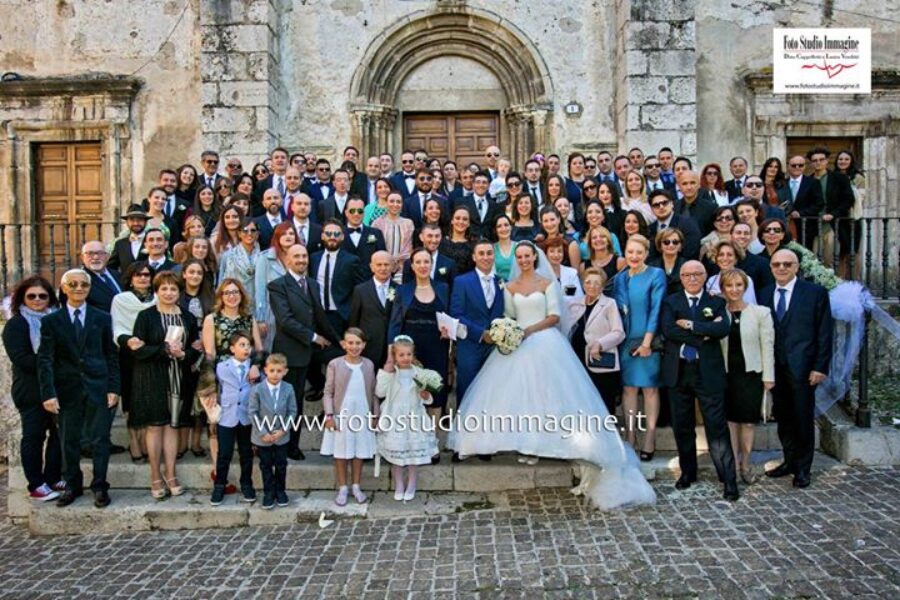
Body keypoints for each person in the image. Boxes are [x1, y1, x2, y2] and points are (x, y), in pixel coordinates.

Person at [448, 242, 655, 510]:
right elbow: (508, 316)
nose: (523, 259)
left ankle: (547, 444)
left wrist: (528, 330)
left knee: (548, 394)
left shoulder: (547, 283)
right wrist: (510, 333)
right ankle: (525, 443)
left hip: (545, 342)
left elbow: (555, 316)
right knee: (518, 396)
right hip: (517, 343)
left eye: (527, 255)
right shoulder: (508, 287)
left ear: (535, 257)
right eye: (519, 256)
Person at [38, 269, 120, 508]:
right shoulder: (51, 321)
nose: (79, 288)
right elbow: (45, 360)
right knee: (68, 440)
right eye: (73, 284)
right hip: (66, 390)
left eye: (83, 284)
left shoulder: (102, 317)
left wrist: (113, 388)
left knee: (100, 439)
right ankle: (72, 484)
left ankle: (100, 486)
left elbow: (111, 355)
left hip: (98, 386)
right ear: (63, 288)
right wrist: (49, 392)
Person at [660, 261, 738, 501]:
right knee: (682, 427)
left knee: (717, 427)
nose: (692, 278)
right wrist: (703, 335)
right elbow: (669, 331)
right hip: (679, 371)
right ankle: (688, 473)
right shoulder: (671, 301)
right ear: (681, 277)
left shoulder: (716, 302)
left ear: (705, 276)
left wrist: (693, 325)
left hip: (708, 373)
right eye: (687, 274)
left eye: (697, 274)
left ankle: (728, 479)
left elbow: (723, 328)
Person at [760, 249, 833, 489]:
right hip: (775, 368)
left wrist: (820, 366)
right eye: (776, 264)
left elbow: (824, 332)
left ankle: (803, 468)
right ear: (770, 267)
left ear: (796, 267)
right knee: (783, 417)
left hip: (803, 368)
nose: (781, 268)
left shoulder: (815, 293)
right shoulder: (764, 294)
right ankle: (789, 461)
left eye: (787, 264)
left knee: (802, 417)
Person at [130, 271, 200, 499]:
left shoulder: (188, 317)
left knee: (173, 426)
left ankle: (171, 474)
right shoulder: (146, 316)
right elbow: (139, 350)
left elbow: (194, 351)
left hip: (179, 378)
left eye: (173, 289)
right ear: (157, 291)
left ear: (179, 292)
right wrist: (164, 349)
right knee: (155, 427)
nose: (169, 293)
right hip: (153, 377)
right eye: (164, 289)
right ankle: (155, 476)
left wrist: (183, 354)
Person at [268, 244, 340, 461]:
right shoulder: (277, 286)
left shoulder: (312, 284)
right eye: (296, 256)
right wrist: (314, 337)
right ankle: (287, 445)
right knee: (291, 402)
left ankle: (294, 443)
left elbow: (320, 316)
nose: (301, 259)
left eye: (304, 256)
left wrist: (339, 340)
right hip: (290, 353)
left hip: (310, 351)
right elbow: (286, 320)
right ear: (287, 260)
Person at [2, 276, 63, 501]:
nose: (37, 300)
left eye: (42, 296)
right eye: (32, 296)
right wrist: (52, 362)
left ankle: (53, 477)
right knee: (34, 436)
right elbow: (22, 359)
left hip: (56, 387)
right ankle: (36, 484)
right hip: (30, 389)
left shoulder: (55, 320)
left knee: (58, 434)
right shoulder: (16, 324)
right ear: (22, 298)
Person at [388, 247, 451, 449]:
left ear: (431, 265)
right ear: (412, 266)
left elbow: (451, 317)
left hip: (437, 347)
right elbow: (395, 323)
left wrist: (448, 330)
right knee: (410, 394)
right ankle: (411, 441)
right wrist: (392, 356)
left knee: (436, 394)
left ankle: (432, 443)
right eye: (419, 262)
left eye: (426, 262)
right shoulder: (402, 290)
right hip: (409, 351)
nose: (423, 266)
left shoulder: (443, 288)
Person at [718, 268, 774, 485]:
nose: (734, 290)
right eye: (729, 285)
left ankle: (746, 463)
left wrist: (769, 377)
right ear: (723, 288)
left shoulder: (761, 312)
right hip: (726, 374)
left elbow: (767, 346)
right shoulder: (718, 312)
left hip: (751, 374)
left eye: (738, 285)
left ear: (745, 287)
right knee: (730, 422)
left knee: (748, 422)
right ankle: (732, 464)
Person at [613, 235, 666, 460]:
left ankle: (649, 439)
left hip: (648, 341)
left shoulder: (656, 275)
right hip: (626, 342)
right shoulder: (619, 279)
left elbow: (656, 309)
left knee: (650, 389)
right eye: (630, 252)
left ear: (646, 253)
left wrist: (647, 343)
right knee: (629, 389)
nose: (634, 256)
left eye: (638, 252)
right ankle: (631, 437)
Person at [376, 336, 439, 502]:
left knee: (413, 453)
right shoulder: (390, 373)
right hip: (395, 417)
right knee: (396, 453)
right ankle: (398, 483)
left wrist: (425, 395)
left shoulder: (419, 373)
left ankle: (412, 483)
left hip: (414, 417)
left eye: (408, 354)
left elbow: (427, 398)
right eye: (401, 355)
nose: (405, 358)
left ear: (413, 354)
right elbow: (380, 392)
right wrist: (387, 368)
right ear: (395, 356)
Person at [322, 328, 378, 506]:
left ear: (364, 345)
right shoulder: (335, 364)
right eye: (350, 343)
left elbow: (373, 392)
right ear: (344, 344)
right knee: (341, 452)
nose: (354, 346)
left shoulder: (368, 365)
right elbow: (328, 392)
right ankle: (342, 487)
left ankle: (356, 485)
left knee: (358, 451)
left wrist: (375, 414)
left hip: (361, 412)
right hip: (342, 413)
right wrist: (330, 414)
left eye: (358, 343)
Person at [450, 240, 505, 413]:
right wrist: (481, 333)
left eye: (489, 253)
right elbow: (456, 314)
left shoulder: (503, 282)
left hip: (496, 347)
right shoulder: (462, 281)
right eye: (481, 253)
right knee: (468, 388)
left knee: (494, 389)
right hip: (470, 345)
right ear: (474, 257)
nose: (486, 257)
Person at [111, 262, 157, 462]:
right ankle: (134, 443)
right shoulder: (121, 299)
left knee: (149, 399)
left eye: (147, 275)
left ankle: (147, 442)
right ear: (130, 278)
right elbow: (117, 326)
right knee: (131, 400)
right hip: (129, 354)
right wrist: (128, 340)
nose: (143, 278)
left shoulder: (158, 298)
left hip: (153, 353)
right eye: (138, 275)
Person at [567, 267, 625, 415]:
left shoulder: (609, 304)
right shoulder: (574, 304)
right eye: (588, 282)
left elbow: (618, 332)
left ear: (603, 286)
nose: (592, 286)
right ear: (583, 284)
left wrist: (600, 344)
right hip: (578, 360)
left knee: (604, 403)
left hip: (600, 360)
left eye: (597, 283)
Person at [211, 331, 256, 505]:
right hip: (227, 416)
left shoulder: (254, 367)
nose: (246, 348)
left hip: (246, 416)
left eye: (248, 345)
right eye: (242, 345)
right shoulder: (222, 367)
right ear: (232, 348)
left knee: (246, 453)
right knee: (224, 454)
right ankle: (219, 485)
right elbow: (219, 387)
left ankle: (247, 484)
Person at [249, 353, 297, 510]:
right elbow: (253, 412)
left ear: (285, 371)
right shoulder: (257, 389)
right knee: (266, 465)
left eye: (279, 371)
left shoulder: (288, 388)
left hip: (281, 436)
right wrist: (263, 433)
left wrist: (283, 430)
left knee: (281, 464)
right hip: (262, 437)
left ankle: (280, 491)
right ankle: (268, 492)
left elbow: (292, 412)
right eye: (272, 370)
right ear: (265, 371)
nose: (275, 374)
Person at [178, 258, 214, 458]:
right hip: (182, 350)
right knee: (185, 395)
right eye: (191, 272)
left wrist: (204, 341)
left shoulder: (209, 297)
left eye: (199, 273)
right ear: (184, 274)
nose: (195, 276)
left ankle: (196, 442)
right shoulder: (177, 296)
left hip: (205, 349)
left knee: (201, 397)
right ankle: (182, 443)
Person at [809, 146, 856, 276]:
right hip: (814, 226)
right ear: (811, 163)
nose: (818, 162)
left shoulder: (839, 178)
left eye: (821, 159)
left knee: (832, 259)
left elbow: (848, 199)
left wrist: (833, 214)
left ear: (827, 161)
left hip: (833, 225)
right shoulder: (808, 180)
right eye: (814, 160)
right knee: (814, 260)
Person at [348, 251, 397, 368]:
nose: (383, 268)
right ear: (372, 267)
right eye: (379, 265)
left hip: (392, 347)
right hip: (369, 346)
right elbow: (354, 320)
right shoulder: (360, 290)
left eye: (386, 264)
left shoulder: (399, 290)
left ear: (393, 266)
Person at [254, 222, 296, 351]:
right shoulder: (265, 258)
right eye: (283, 233)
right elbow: (259, 289)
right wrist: (260, 319)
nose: (288, 236)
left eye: (291, 233)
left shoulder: (300, 256)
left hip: (294, 314)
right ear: (277, 237)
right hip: (270, 314)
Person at [372, 191, 415, 282]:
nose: (395, 204)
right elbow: (375, 247)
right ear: (386, 203)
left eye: (398, 202)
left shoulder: (408, 223)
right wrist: (388, 262)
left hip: (402, 268)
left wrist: (397, 263)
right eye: (392, 201)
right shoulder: (377, 223)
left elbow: (408, 247)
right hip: (382, 267)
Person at [647, 189, 701, 261]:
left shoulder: (688, 224)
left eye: (664, 203)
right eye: (656, 205)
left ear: (672, 204)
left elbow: (691, 253)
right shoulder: (649, 229)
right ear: (651, 209)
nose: (661, 207)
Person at [341, 197, 387, 279]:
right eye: (352, 211)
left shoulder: (376, 233)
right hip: (344, 283)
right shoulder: (338, 234)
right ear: (346, 213)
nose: (356, 214)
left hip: (368, 283)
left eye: (360, 211)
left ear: (364, 213)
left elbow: (382, 258)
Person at [218, 217, 261, 299]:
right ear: (239, 234)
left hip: (256, 302)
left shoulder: (263, 257)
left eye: (253, 230)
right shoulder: (228, 255)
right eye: (245, 230)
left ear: (257, 234)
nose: (249, 233)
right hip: (234, 301)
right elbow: (221, 283)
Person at [108, 204, 149, 273]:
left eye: (139, 220)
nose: (136, 223)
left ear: (146, 222)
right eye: (132, 220)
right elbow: (111, 268)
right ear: (127, 222)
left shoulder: (153, 242)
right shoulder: (119, 244)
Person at [649, 228, 687, 296]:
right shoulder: (651, 267)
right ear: (660, 245)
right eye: (666, 242)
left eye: (675, 242)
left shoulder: (688, 266)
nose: (671, 245)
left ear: (680, 245)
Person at [439, 206, 475, 275]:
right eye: (457, 218)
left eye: (465, 219)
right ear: (452, 221)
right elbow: (439, 267)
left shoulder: (473, 245)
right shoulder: (441, 243)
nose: (461, 222)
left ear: (469, 223)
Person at [492, 214, 517, 281]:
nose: (503, 229)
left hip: (518, 288)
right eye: (499, 226)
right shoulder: (491, 249)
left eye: (506, 225)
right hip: (498, 288)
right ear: (495, 230)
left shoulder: (519, 247)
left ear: (511, 227)